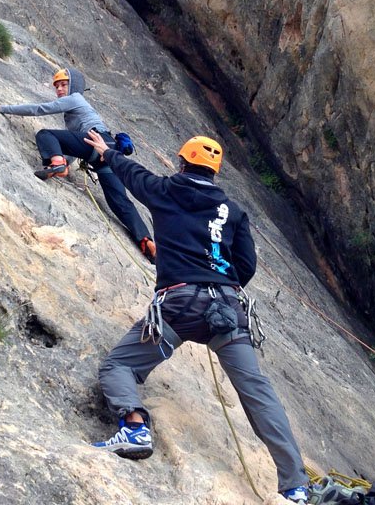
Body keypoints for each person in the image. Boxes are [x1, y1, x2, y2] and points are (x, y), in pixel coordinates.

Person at [83, 131, 314, 504]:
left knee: (119, 365)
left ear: (182, 162)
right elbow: (246, 265)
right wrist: (220, 284)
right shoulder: (233, 211)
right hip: (228, 310)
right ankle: (295, 486)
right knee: (258, 393)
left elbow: (132, 175)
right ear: (214, 171)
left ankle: (135, 429)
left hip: (180, 307)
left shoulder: (165, 191)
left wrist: (107, 153)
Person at [0, 67, 156, 262]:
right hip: (108, 152)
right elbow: (74, 146)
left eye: (63, 84)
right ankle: (146, 241)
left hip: (94, 143)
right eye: (57, 86)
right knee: (119, 202)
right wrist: (68, 160)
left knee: (45, 134)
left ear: (74, 86)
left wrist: (3, 108)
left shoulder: (74, 98)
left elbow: (39, 109)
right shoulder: (78, 106)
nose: (59, 89)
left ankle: (57, 163)